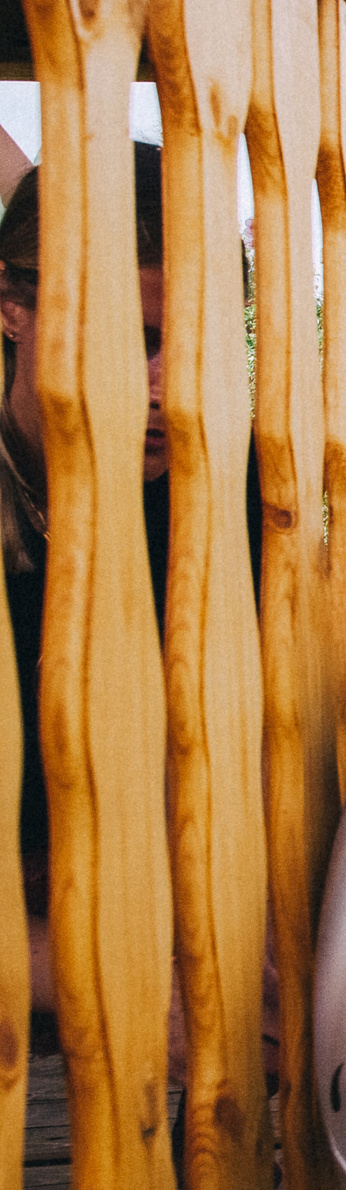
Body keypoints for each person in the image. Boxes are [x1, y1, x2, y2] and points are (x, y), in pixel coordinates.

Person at [0, 145, 172, 1060]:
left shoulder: (230, 499)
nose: (170, 385)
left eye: (205, 341)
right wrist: (108, 967)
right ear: (12, 307)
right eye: (135, 337)